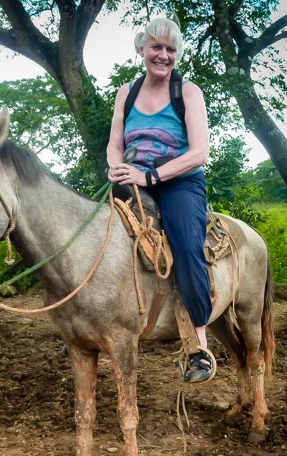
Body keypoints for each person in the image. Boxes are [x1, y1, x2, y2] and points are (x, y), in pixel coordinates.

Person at [106, 15, 216, 384]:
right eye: (157, 47)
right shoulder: (128, 92)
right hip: (134, 181)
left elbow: (200, 152)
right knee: (99, 237)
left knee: (186, 245)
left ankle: (199, 345)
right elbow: (115, 143)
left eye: (171, 49)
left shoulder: (189, 92)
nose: (164, 55)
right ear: (142, 49)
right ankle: (94, 320)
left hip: (179, 183)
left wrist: (152, 175)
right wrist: (114, 167)